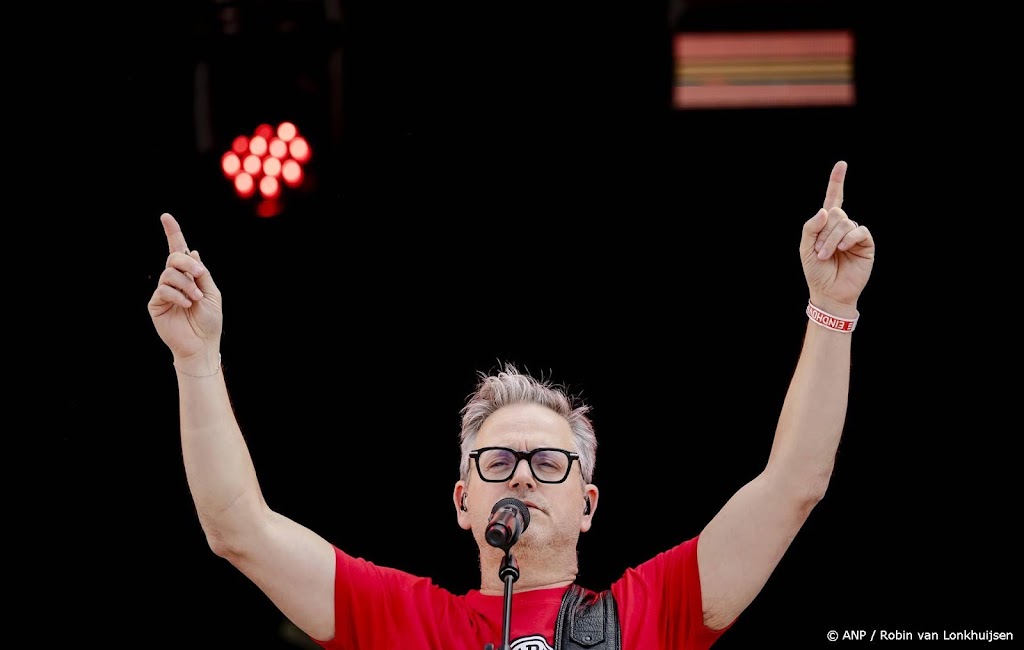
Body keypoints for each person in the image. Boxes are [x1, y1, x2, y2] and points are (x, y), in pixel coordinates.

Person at [147, 159, 874, 649]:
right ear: (463, 500)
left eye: (549, 462)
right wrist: (196, 359)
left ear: (588, 504)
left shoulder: (655, 609)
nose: (523, 475)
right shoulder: (404, 619)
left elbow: (794, 485)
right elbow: (238, 528)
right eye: (498, 460)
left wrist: (832, 309)